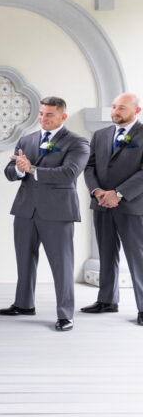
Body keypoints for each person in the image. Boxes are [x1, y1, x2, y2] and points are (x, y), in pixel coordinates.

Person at [0, 96, 89, 331]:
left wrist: (33, 169)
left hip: (58, 212)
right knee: (24, 260)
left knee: (62, 265)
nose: (43, 118)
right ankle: (24, 304)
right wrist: (19, 170)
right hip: (25, 209)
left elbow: (69, 173)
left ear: (63, 116)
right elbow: (9, 171)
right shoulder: (27, 139)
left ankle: (65, 314)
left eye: (49, 114)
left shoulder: (78, 142)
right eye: (41, 113)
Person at [82, 92, 143, 326]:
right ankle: (107, 300)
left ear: (136, 111)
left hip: (132, 205)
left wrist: (118, 194)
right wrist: (98, 191)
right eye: (115, 107)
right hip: (101, 204)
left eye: (122, 108)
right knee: (106, 253)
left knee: (137, 257)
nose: (115, 112)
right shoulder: (100, 135)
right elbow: (90, 166)